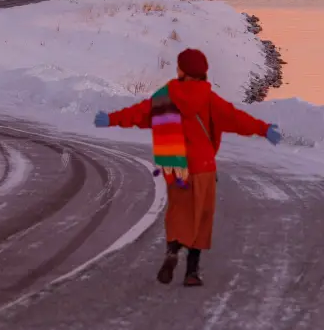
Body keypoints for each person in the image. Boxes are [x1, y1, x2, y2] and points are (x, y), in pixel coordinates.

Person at [94, 48, 281, 287]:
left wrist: (111, 119)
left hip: (176, 168)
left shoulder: (165, 97)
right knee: (201, 218)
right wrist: (264, 129)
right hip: (203, 167)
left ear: (182, 70)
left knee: (178, 214)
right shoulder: (211, 99)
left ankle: (172, 251)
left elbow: (139, 114)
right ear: (203, 72)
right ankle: (192, 273)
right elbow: (237, 118)